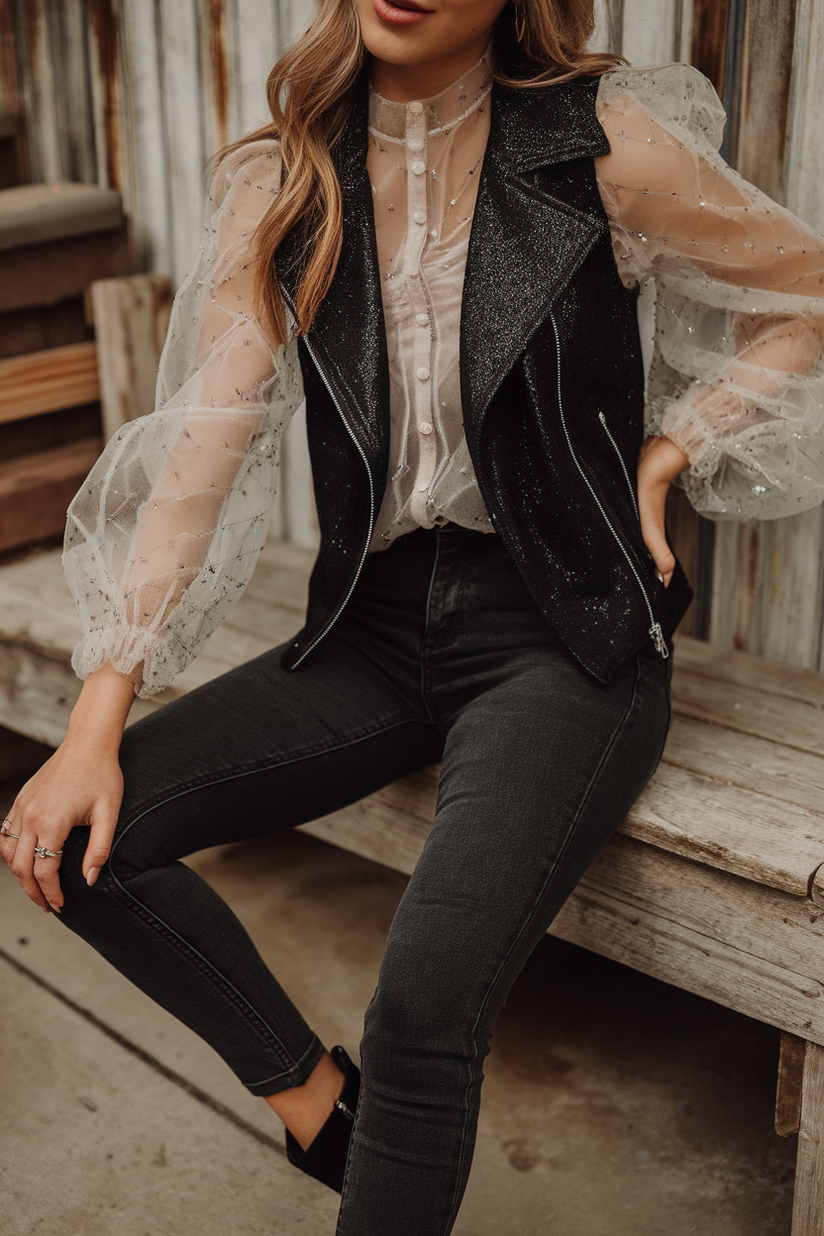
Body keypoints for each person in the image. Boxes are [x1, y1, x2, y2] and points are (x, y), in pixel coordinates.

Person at [3, 0, 824, 1232]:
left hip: (564, 631)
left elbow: (806, 292)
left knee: (426, 1003)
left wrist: (668, 453)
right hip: (375, 628)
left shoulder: (595, 143)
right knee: (75, 845)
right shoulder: (286, 178)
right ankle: (318, 1107)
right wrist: (95, 720)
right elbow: (198, 459)